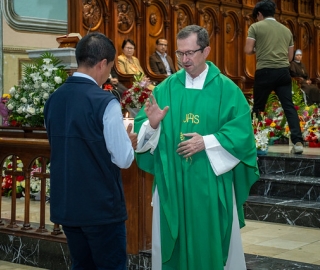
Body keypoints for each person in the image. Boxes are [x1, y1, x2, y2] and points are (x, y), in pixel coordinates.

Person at [134, 25, 259, 270]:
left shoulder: (227, 90)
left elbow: (242, 134)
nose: (184, 60)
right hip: (173, 183)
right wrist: (152, 125)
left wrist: (208, 141)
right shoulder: (165, 88)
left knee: (208, 243)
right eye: (180, 54)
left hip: (210, 184)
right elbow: (141, 131)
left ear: (207, 51)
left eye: (190, 53)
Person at [44, 32, 137, 270]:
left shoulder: (53, 99)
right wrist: (129, 143)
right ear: (102, 63)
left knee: (81, 265)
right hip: (101, 208)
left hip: (67, 205)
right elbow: (123, 159)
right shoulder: (105, 102)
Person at [244, 0, 304, 154]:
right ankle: (297, 142)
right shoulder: (286, 30)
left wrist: (260, 48)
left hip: (264, 72)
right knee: (289, 107)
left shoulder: (255, 27)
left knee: (258, 108)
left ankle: (252, 141)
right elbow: (290, 57)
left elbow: (248, 49)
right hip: (283, 72)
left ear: (259, 13)